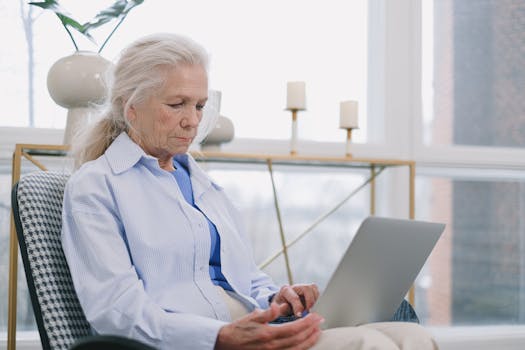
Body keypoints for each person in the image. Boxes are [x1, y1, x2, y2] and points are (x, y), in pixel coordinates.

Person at [62, 33, 438, 350]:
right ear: (131, 109)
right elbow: (116, 309)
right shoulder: (98, 186)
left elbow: (244, 277)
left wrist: (278, 298)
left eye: (199, 105)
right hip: (200, 342)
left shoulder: (202, 184)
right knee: (371, 345)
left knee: (412, 337)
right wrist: (219, 337)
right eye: (176, 104)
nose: (192, 120)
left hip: (256, 329)